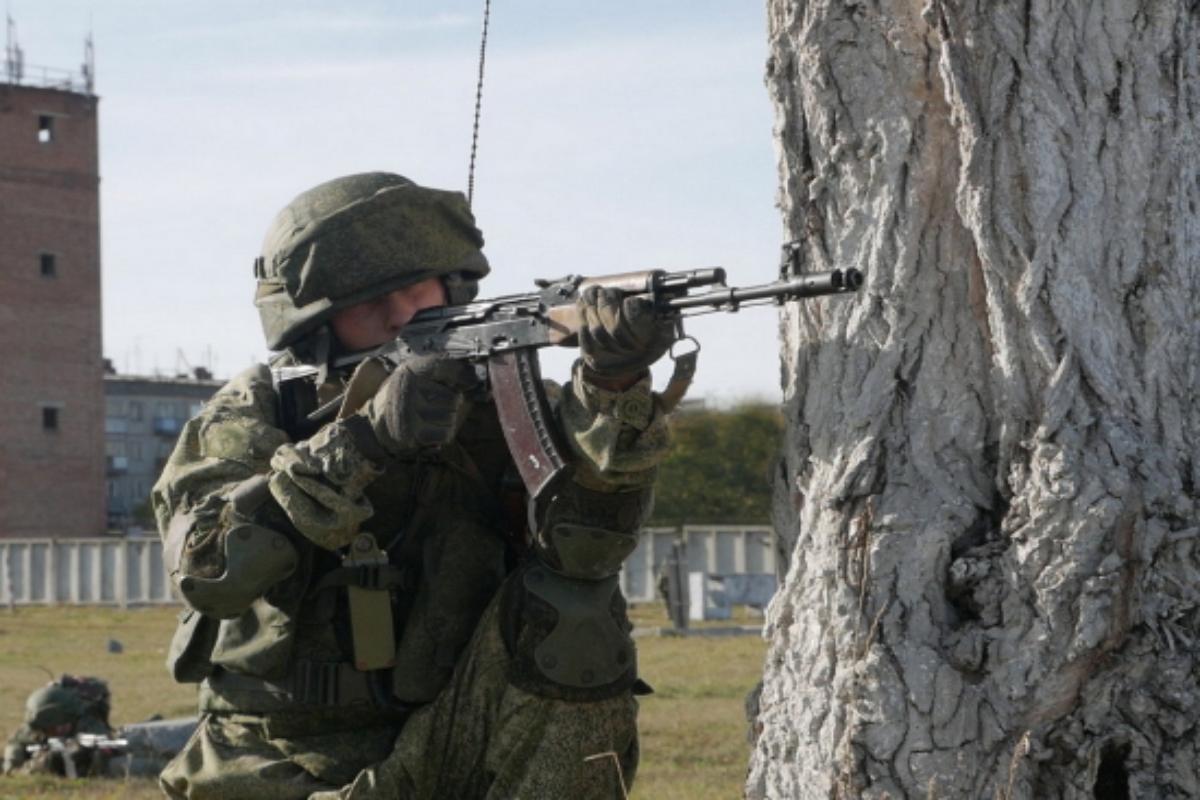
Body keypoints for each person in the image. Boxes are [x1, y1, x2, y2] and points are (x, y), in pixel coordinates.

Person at [152, 172, 682, 798]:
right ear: (313, 325)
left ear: (453, 285)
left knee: (576, 619)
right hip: (284, 763)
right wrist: (367, 440)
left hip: (454, 735)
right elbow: (209, 570)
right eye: (368, 303)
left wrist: (613, 389)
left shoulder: (510, 404)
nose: (401, 316)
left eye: (416, 290)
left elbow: (591, 549)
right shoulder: (262, 409)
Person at [2, 675, 113, 777]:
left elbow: (103, 748)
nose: (59, 730)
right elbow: (12, 769)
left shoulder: (87, 725)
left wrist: (81, 754)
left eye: (63, 725)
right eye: (52, 728)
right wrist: (42, 763)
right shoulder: (28, 733)